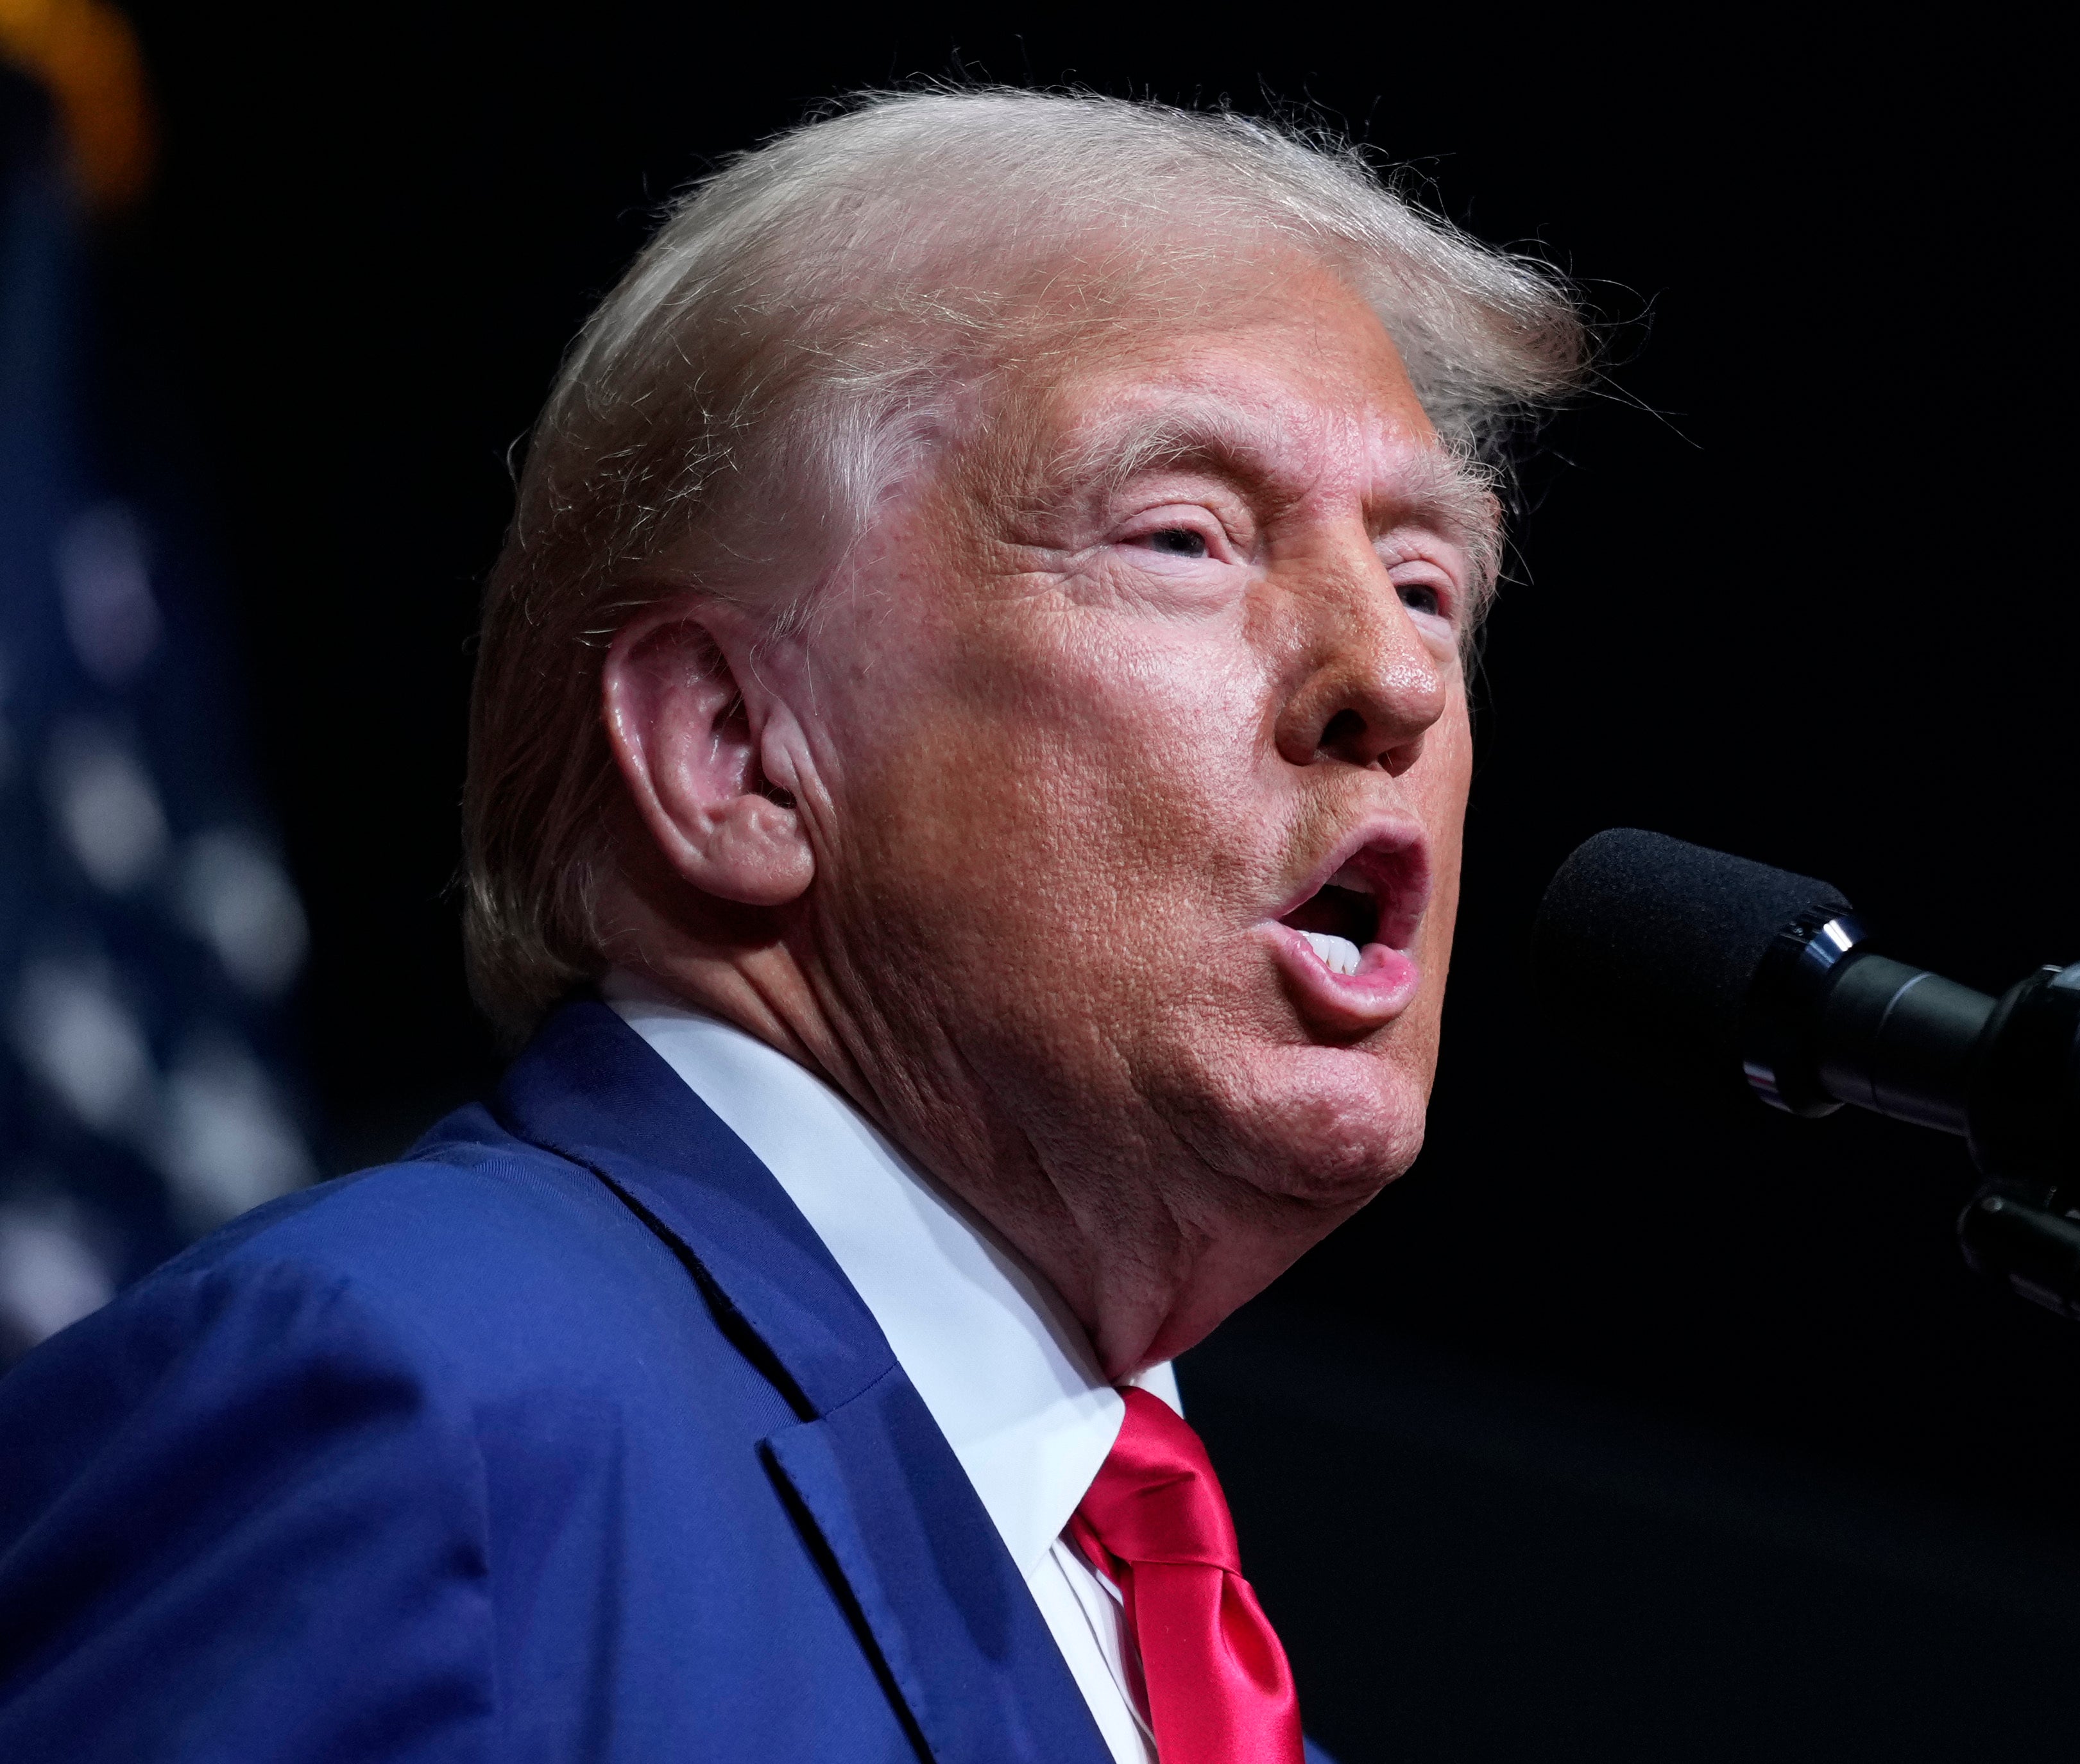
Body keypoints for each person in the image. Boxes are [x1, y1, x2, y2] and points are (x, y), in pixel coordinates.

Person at [0, 87, 1585, 1761]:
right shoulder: (413, 1407)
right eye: (1185, 536)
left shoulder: (1166, 1648)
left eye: (1426, 582)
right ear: (736, 755)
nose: (1399, 679)